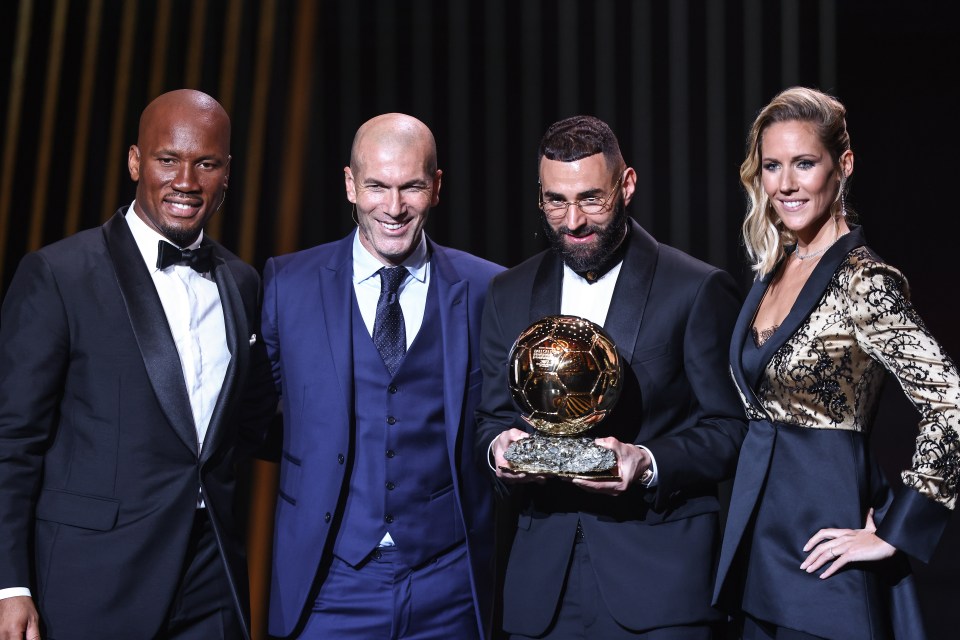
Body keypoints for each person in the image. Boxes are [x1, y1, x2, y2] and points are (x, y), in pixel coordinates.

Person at [0, 89, 277, 639]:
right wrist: (10, 585)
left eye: (206, 163)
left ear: (227, 173)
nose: (186, 180)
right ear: (134, 161)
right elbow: (12, 440)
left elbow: (253, 426)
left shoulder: (241, 282)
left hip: (210, 574)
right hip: (94, 578)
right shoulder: (58, 275)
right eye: (167, 159)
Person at [476, 115, 748, 639]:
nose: (573, 220)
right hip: (541, 595)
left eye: (591, 199)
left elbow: (732, 428)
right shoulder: (506, 294)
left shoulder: (695, 288)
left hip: (661, 589)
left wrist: (646, 463)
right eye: (556, 201)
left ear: (627, 186)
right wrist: (498, 451)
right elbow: (489, 417)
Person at [712, 86, 960, 639]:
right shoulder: (775, 269)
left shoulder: (865, 282)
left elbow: (951, 401)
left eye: (804, 163)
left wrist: (898, 528)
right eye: (772, 166)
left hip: (824, 546)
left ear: (842, 165)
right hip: (760, 537)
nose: (786, 184)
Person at [261, 113, 504, 639]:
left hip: (450, 581)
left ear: (435, 188)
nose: (393, 208)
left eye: (411, 187)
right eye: (377, 186)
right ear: (350, 184)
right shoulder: (288, 284)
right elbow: (255, 418)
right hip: (329, 579)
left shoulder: (488, 289)